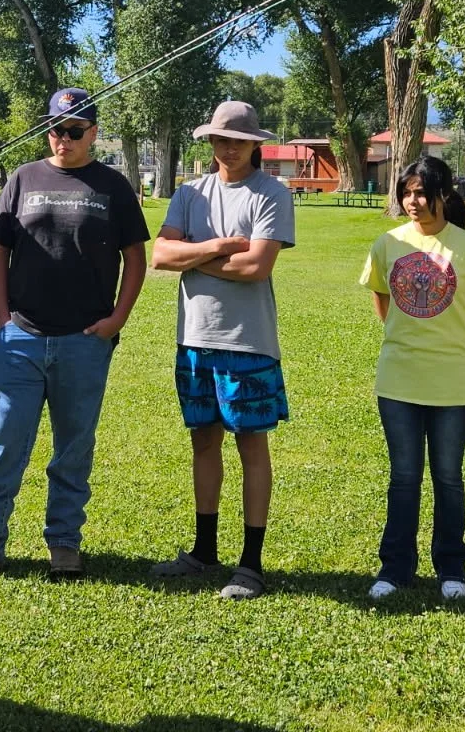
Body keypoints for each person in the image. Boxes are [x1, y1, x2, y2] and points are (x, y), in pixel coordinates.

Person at [0, 88, 149, 585]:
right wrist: (1, 317)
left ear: (93, 132)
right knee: (4, 443)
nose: (63, 138)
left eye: (74, 130)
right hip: (22, 339)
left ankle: (64, 545)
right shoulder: (23, 178)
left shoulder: (112, 186)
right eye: (56, 129)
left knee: (73, 448)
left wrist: (117, 319)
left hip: (85, 340)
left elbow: (135, 257)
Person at [150, 101, 294, 601]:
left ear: (255, 143)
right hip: (194, 340)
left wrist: (192, 256)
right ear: (208, 142)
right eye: (219, 139)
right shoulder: (190, 193)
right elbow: (160, 255)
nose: (227, 148)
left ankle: (250, 564)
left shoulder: (272, 193)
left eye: (237, 140)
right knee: (203, 442)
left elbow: (257, 268)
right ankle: (204, 551)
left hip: (247, 343)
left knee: (251, 447)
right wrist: (219, 247)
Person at [359, 155, 465, 601]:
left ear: (444, 194)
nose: (412, 201)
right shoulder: (387, 243)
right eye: (406, 192)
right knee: (403, 477)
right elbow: (384, 302)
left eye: (421, 192)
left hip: (455, 382)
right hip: (399, 379)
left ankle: (451, 567)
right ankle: (395, 567)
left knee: (448, 476)